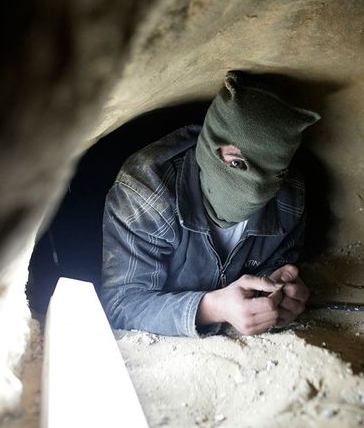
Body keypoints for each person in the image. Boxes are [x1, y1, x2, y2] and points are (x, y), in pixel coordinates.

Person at [100, 71, 320, 336]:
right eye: (237, 163)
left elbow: (282, 261)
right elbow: (122, 305)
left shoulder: (288, 197)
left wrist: (280, 295)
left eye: (273, 172)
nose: (254, 189)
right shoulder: (147, 193)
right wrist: (212, 308)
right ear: (210, 145)